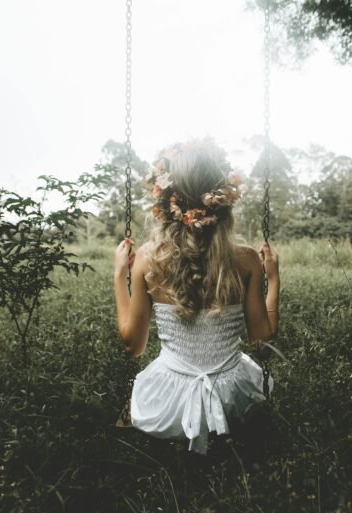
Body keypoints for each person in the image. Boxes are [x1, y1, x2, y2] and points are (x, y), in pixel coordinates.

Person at [113, 139, 280, 455]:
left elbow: (132, 346)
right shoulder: (246, 261)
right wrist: (273, 279)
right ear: (223, 198)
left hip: (169, 399)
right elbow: (262, 342)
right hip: (234, 397)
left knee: (131, 409)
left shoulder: (149, 260)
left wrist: (120, 276)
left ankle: (175, 439)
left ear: (167, 200)